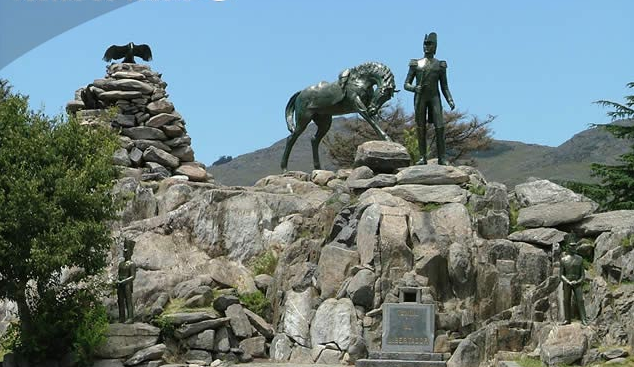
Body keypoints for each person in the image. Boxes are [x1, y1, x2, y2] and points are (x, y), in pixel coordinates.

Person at [404, 32, 455, 165]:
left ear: (435, 46)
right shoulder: (416, 64)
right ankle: (422, 157)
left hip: (435, 98)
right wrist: (414, 88)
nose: (426, 47)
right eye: (425, 44)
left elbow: (444, 86)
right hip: (420, 98)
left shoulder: (440, 65)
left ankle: (442, 158)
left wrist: (449, 99)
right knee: (421, 127)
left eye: (429, 44)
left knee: (440, 127)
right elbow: (406, 84)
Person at [560, 234, 588, 325]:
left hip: (577, 282)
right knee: (566, 300)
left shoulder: (580, 259)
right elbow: (561, 275)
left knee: (580, 300)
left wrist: (578, 281)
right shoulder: (563, 259)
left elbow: (583, 275)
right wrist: (567, 281)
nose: (574, 247)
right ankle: (567, 319)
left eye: (574, 245)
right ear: (568, 247)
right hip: (567, 282)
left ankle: (584, 319)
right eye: (572, 245)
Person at [117, 237, 136, 323]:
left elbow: (132, 276)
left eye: (126, 251)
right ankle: (122, 317)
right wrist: (117, 281)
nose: (125, 253)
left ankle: (130, 318)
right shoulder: (121, 264)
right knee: (120, 301)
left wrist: (124, 281)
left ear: (130, 252)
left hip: (127, 284)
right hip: (120, 284)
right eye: (124, 251)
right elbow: (119, 274)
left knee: (128, 301)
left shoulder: (132, 264)